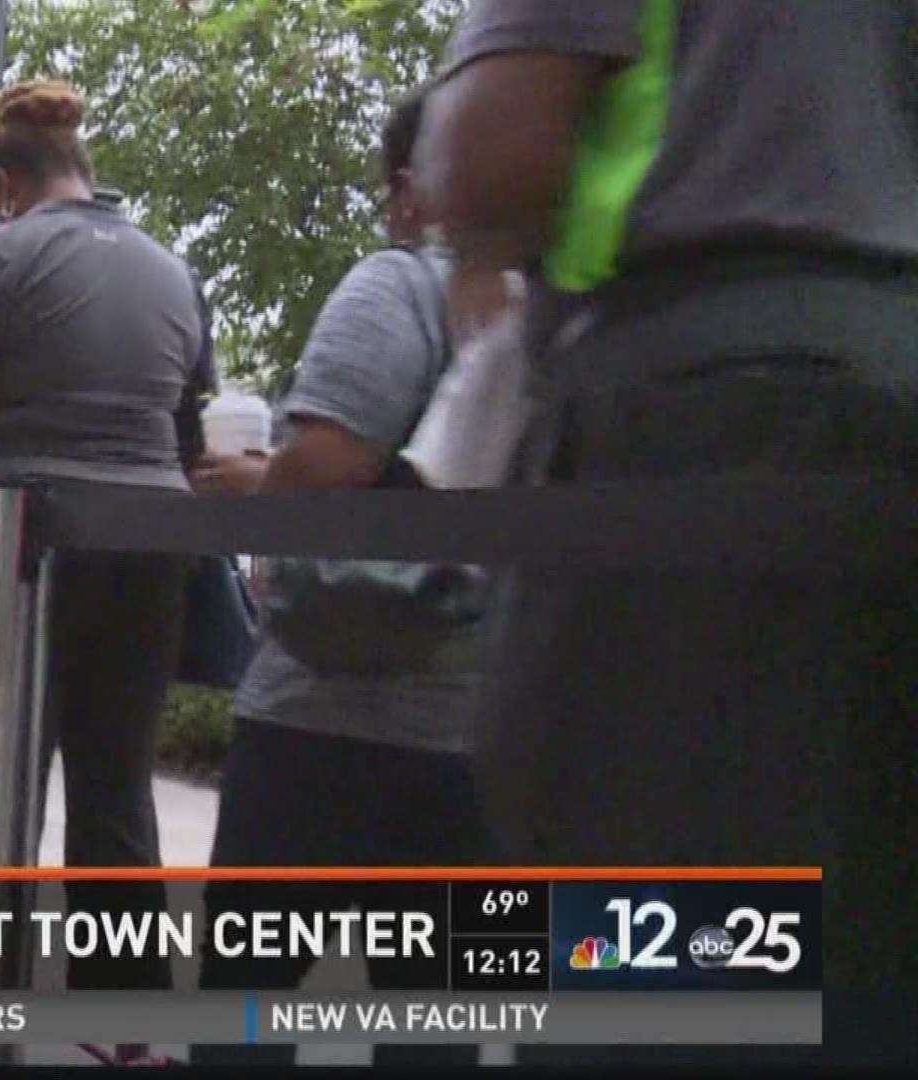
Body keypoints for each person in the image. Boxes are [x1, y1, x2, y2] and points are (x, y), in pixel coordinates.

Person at [422, 0, 917, 1065]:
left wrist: (467, 223)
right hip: (881, 398)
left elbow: (490, 153)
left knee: (655, 974)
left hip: (698, 431)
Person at [184, 85, 493, 1068]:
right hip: (492, 733)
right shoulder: (557, 311)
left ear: (408, 193)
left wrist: (250, 483)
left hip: (327, 722)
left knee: (245, 1014)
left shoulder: (400, 284)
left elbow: (326, 464)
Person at [0, 81, 205, 1007]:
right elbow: (196, 428)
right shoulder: (172, 270)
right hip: (147, 546)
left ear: (3, 177)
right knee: (117, 787)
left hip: (13, 552)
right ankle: (127, 1015)